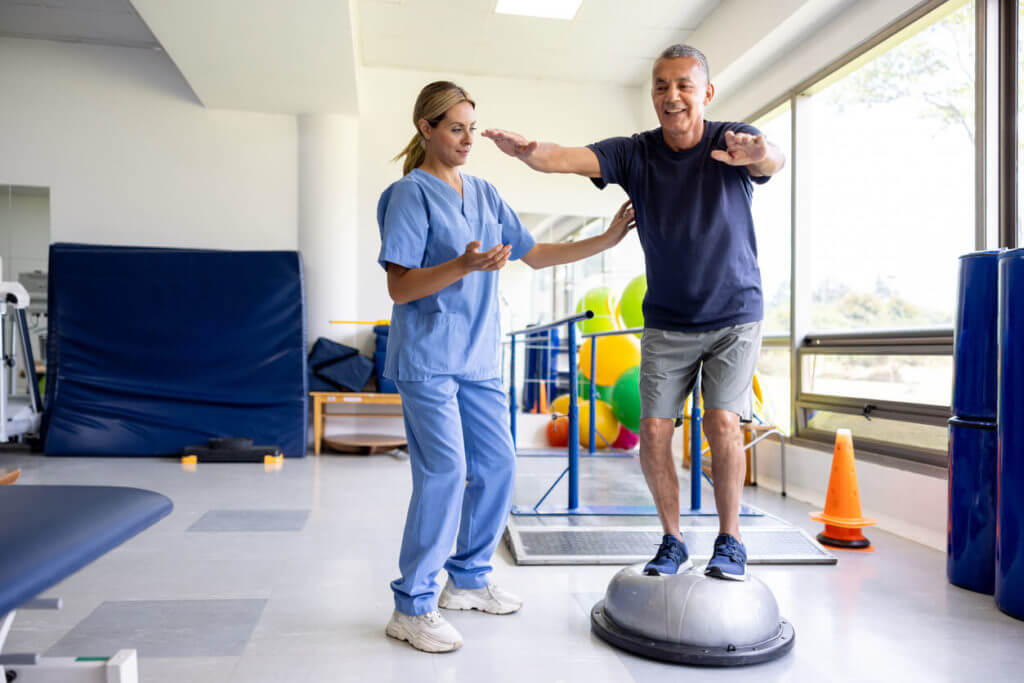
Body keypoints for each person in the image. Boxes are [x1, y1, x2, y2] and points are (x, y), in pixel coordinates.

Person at [483, 44, 786, 582]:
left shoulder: (730, 141)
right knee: (651, 432)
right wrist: (529, 152)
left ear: (706, 93)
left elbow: (771, 159)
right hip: (668, 321)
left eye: (684, 85)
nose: (672, 96)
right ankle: (672, 540)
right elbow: (565, 156)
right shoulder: (635, 153)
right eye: (661, 86)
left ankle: (730, 540)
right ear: (653, 93)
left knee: (721, 421)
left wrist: (760, 152)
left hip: (735, 313)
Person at [378, 80, 636, 653]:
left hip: (478, 358)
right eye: (455, 128)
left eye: (472, 127)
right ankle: (411, 605)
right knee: (444, 474)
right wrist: (464, 265)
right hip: (427, 359)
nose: (468, 138)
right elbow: (400, 288)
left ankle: (467, 581)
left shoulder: (488, 194)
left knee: (496, 467)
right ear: (426, 129)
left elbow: (536, 255)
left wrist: (607, 239)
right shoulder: (409, 196)